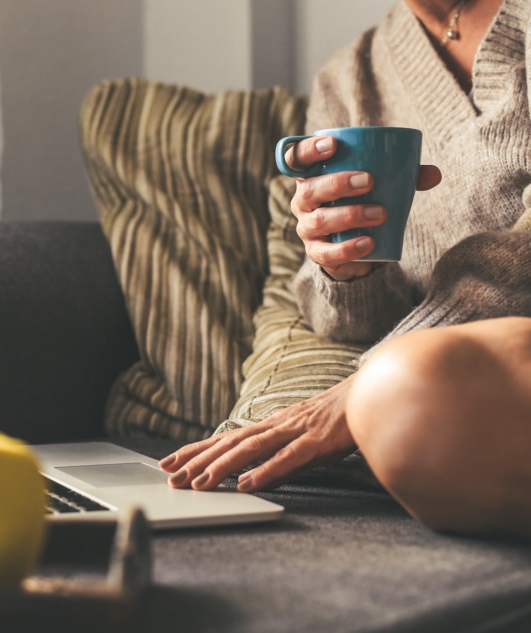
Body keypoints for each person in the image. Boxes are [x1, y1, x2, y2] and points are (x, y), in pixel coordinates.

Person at [159, 0, 531, 540]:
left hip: (474, 370)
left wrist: (362, 390)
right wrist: (345, 272)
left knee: (400, 389)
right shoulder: (348, 78)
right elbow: (347, 327)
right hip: (433, 381)